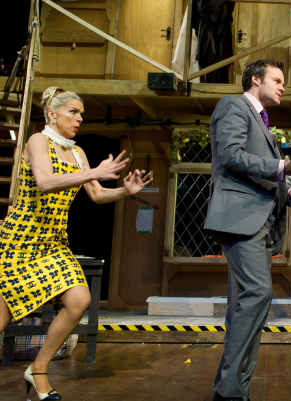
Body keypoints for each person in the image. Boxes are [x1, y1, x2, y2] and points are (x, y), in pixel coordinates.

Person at [0, 86, 152, 400]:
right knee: (1, 318)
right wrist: (93, 172)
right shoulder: (37, 141)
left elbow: (97, 194)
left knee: (79, 300)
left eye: (81, 113)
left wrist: (125, 190)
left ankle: (38, 370)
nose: (79, 118)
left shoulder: (78, 152)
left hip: (54, 242)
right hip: (20, 240)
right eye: (73, 111)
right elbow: (45, 182)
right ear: (52, 114)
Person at [203, 59, 291, 401]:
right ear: (255, 79)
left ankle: (232, 390)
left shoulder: (265, 126)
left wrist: (289, 193)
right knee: (260, 293)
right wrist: (281, 166)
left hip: (260, 221)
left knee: (247, 307)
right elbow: (231, 155)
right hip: (240, 217)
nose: (282, 87)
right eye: (277, 80)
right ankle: (230, 392)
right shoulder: (233, 105)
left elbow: (262, 175)